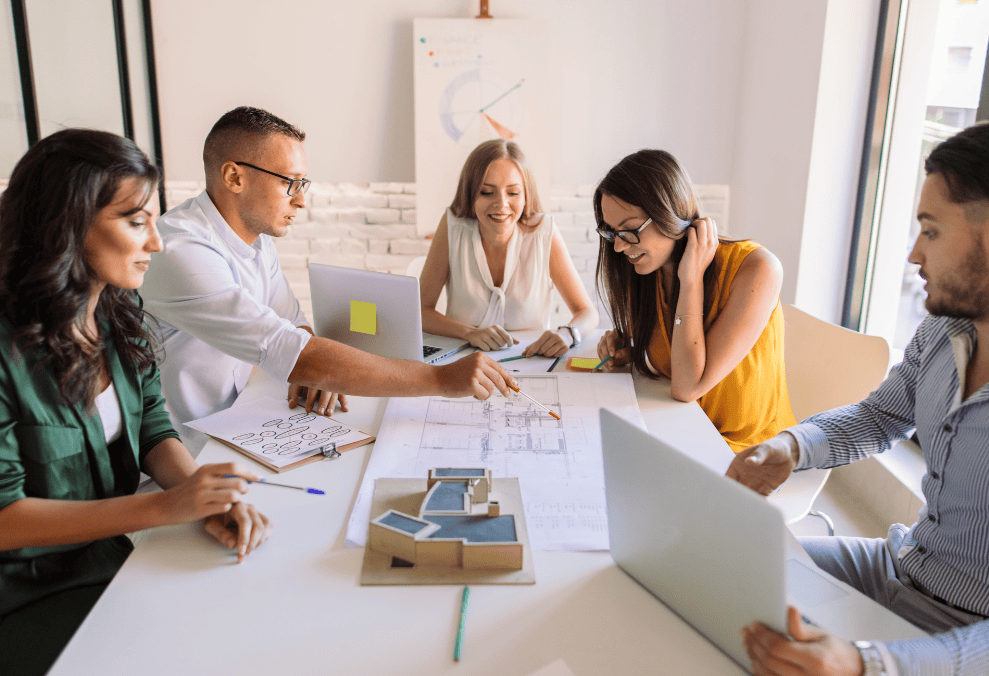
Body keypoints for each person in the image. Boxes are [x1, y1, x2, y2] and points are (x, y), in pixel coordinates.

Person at [0, 128, 272, 676]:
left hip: (111, 565)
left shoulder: (118, 316)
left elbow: (153, 429)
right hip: (14, 601)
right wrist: (165, 508)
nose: (156, 243)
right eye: (136, 222)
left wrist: (201, 496)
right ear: (66, 225)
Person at [730, 123, 989, 676]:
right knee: (716, 563)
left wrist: (867, 664)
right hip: (896, 566)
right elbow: (881, 415)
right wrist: (790, 448)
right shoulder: (944, 332)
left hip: (964, 631)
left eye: (932, 232)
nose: (914, 254)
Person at [138, 107, 514, 454]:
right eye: (290, 182)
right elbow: (290, 346)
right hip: (184, 451)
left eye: (304, 183)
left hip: (240, 425)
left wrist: (312, 369)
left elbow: (293, 322)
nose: (301, 201)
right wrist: (441, 381)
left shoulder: (256, 241)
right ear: (234, 176)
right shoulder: (181, 252)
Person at [593, 149, 794, 453]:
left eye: (630, 230)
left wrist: (691, 281)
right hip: (682, 433)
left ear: (668, 212)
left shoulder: (758, 270)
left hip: (749, 455)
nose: (619, 246)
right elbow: (669, 357)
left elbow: (688, 387)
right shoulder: (649, 271)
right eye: (611, 232)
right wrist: (627, 347)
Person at [418, 139, 598, 356]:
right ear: (470, 193)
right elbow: (420, 311)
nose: (501, 204)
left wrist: (568, 334)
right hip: (464, 363)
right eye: (486, 192)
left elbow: (587, 313)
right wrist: (469, 333)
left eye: (512, 193)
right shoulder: (453, 226)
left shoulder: (543, 232)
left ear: (525, 196)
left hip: (531, 361)